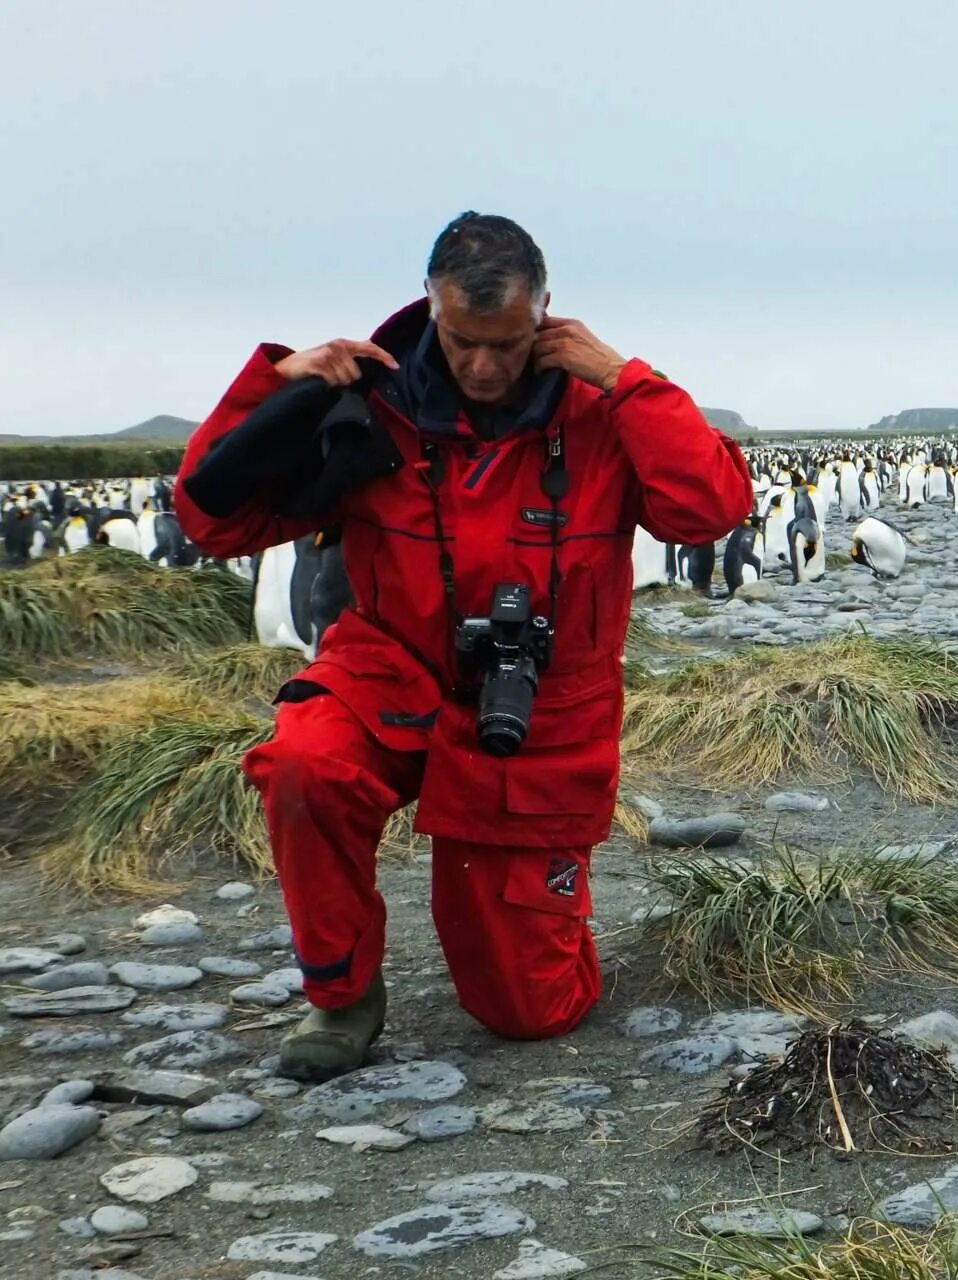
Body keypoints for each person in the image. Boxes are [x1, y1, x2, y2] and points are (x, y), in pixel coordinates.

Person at [175, 213, 753, 1080]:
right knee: (306, 763)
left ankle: (547, 909)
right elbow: (214, 522)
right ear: (430, 308)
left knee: (530, 1014)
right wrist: (277, 387)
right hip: (390, 670)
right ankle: (341, 997)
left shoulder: (602, 413)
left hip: (537, 710)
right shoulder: (368, 408)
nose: (483, 367)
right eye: (461, 340)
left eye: (509, 344)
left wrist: (632, 381)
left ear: (547, 316)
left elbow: (710, 511)